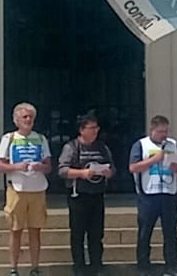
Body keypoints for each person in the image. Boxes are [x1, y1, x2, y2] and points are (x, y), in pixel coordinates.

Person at [0, 102, 52, 276]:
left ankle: (35, 267)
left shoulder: (41, 138)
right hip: (17, 189)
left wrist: (40, 167)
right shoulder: (9, 138)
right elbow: (0, 165)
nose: (28, 120)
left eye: (31, 117)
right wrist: (16, 167)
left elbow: (49, 166)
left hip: (37, 189)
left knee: (35, 231)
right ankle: (14, 268)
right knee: (15, 230)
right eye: (24, 117)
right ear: (16, 120)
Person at [130, 115, 177, 276]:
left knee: (170, 233)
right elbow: (133, 167)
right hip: (148, 194)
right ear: (152, 130)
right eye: (161, 132)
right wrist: (154, 160)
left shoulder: (173, 144)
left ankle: (171, 266)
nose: (164, 135)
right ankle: (143, 267)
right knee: (145, 232)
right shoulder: (141, 145)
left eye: (166, 131)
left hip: (169, 193)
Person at [58, 116, 113, 276]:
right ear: (82, 130)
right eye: (91, 128)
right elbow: (62, 170)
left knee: (96, 233)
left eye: (97, 128)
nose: (95, 131)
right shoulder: (71, 147)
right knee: (78, 233)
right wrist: (82, 173)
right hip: (78, 196)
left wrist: (108, 172)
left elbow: (113, 168)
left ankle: (96, 265)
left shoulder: (102, 148)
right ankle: (79, 267)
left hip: (97, 195)